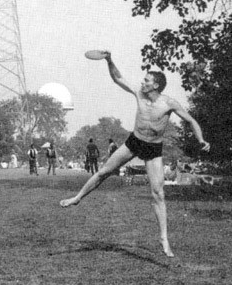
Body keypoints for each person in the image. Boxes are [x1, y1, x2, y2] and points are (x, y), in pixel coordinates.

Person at [60, 51, 210, 258]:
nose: (143, 82)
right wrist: (110, 60)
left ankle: (164, 238)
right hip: (134, 142)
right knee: (103, 172)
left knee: (158, 193)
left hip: (153, 149)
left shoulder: (169, 103)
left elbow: (191, 120)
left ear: (156, 85)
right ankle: (77, 197)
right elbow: (118, 78)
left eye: (147, 80)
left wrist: (201, 140)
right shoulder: (139, 93)